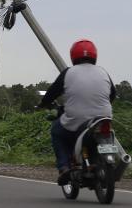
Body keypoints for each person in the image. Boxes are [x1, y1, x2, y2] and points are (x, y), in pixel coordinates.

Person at [37, 39, 116, 184]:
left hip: (77, 121)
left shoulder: (69, 72)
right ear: (94, 56)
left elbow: (52, 92)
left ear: (73, 56)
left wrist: (43, 104)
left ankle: (64, 167)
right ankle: (97, 161)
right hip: (103, 119)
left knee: (56, 131)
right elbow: (113, 94)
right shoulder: (103, 72)